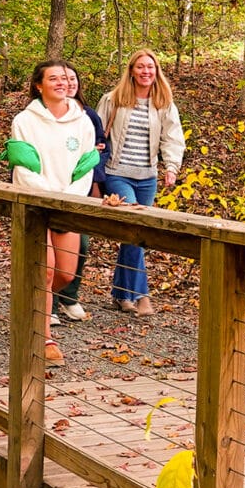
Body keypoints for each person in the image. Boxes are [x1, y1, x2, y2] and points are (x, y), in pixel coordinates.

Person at [5, 61, 104, 363]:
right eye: (53, 78)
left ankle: (32, 303)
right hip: (35, 206)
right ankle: (44, 338)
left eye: (65, 78)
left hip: (67, 205)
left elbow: (86, 167)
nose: (61, 82)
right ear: (39, 85)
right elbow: (23, 167)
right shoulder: (25, 120)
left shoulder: (83, 121)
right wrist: (48, 198)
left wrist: (67, 200)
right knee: (45, 271)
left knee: (63, 273)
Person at [96, 48, 185, 315]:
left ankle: (122, 295)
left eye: (151, 67)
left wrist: (171, 167)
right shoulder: (113, 99)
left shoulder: (164, 103)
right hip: (117, 174)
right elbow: (96, 136)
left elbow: (173, 137)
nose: (146, 72)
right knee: (136, 230)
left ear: (157, 71)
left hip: (147, 178)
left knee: (132, 236)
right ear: (131, 70)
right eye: (141, 67)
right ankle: (142, 296)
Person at [51, 66, 113, 322]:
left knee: (81, 245)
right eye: (63, 79)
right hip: (51, 188)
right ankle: (49, 303)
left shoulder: (88, 115)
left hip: (82, 189)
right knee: (49, 251)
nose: (69, 83)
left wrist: (96, 178)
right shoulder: (40, 115)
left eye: (73, 79)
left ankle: (69, 297)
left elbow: (101, 147)